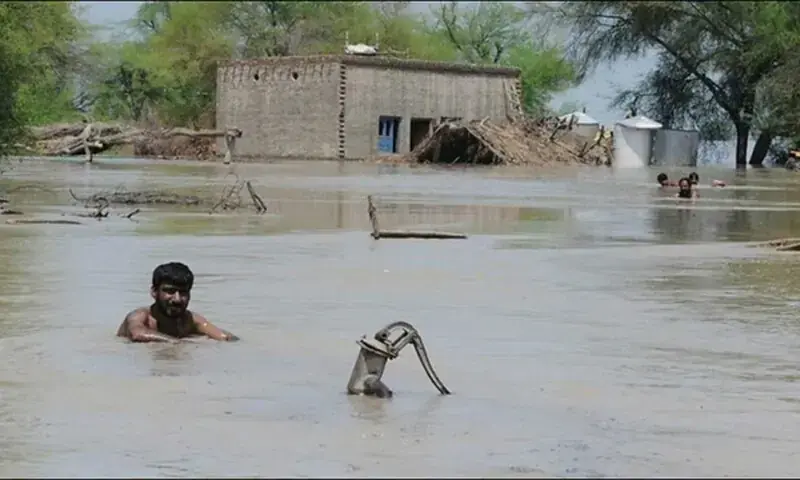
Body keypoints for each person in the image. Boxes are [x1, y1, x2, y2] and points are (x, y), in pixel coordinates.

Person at [117, 262, 239, 343]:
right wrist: (177, 343)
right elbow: (137, 334)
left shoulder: (190, 320)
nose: (177, 299)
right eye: (170, 291)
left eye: (183, 292)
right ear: (154, 292)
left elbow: (223, 337)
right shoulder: (141, 316)